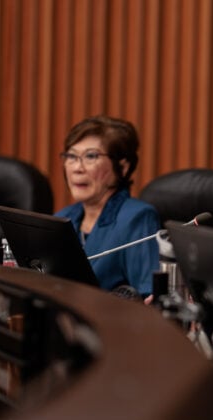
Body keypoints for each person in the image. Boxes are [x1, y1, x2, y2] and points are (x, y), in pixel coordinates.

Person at [55, 115, 160, 297]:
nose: (77, 168)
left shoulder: (137, 218)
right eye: (71, 156)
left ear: (123, 167)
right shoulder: (62, 217)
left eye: (90, 156)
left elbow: (149, 296)